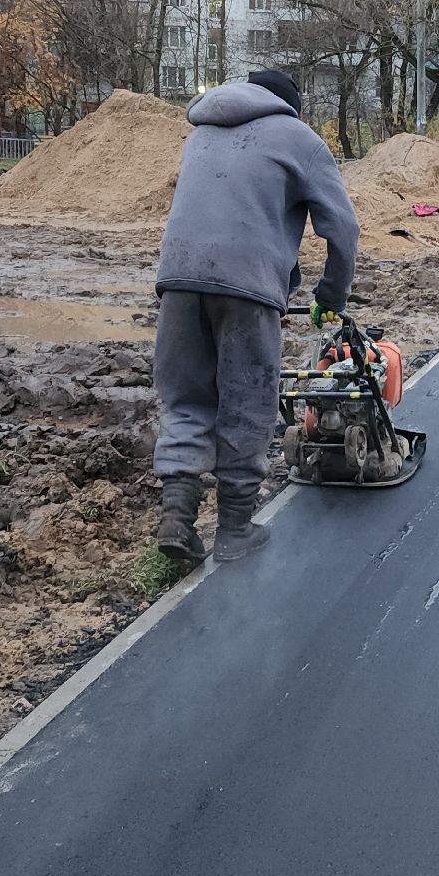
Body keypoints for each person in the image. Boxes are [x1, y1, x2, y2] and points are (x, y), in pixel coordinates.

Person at [152, 69, 359, 563]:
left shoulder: (200, 133)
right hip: (246, 285)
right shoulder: (300, 139)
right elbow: (343, 229)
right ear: (291, 106)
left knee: (185, 398)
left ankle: (177, 516)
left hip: (178, 278)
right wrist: (331, 296)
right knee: (247, 401)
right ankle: (235, 529)